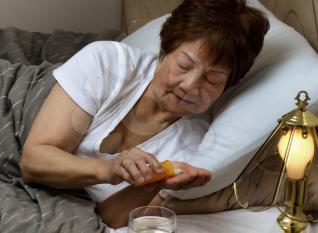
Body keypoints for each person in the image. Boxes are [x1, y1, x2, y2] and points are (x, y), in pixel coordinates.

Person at [20, 0, 270, 228]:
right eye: (183, 66)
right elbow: (33, 162)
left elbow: (108, 218)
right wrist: (110, 169)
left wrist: (155, 184)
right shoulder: (108, 62)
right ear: (164, 50)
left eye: (212, 79)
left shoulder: (192, 145)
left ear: (226, 87)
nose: (190, 85)